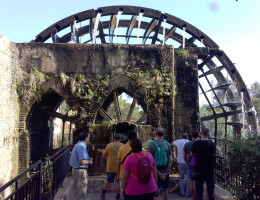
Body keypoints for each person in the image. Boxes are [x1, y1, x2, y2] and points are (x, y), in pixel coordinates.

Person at [191, 127, 216, 200]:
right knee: (211, 192)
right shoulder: (212, 144)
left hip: (199, 171)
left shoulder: (196, 143)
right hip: (210, 171)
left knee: (199, 192)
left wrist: (198, 155)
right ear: (208, 134)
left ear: (200, 133)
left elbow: (191, 154)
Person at [148, 127, 172, 200]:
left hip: (155, 171)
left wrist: (158, 173)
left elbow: (150, 161)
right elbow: (170, 160)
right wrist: (165, 173)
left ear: (155, 134)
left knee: (155, 192)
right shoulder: (167, 144)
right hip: (165, 171)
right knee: (165, 190)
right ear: (163, 135)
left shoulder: (151, 145)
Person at [68, 131, 93, 200]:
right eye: (88, 137)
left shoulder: (78, 145)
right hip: (80, 171)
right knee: (81, 192)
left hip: (77, 171)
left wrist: (88, 158)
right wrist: (90, 162)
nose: (89, 139)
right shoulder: (81, 146)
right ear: (86, 138)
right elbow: (82, 161)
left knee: (78, 191)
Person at [101, 134, 124, 200]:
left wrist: (108, 158)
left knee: (108, 180)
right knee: (118, 182)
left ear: (114, 138)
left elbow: (104, 155)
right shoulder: (122, 146)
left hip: (110, 166)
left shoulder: (109, 145)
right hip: (119, 167)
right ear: (120, 139)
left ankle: (103, 194)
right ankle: (118, 196)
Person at [117, 130, 137, 199]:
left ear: (127, 137)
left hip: (122, 175)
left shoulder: (122, 148)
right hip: (135, 176)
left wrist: (117, 175)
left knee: (123, 195)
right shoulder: (139, 148)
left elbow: (118, 164)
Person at [183, 130, 200, 200]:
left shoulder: (187, 144)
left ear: (191, 136)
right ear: (198, 136)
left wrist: (188, 162)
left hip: (190, 166)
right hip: (199, 167)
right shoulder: (200, 144)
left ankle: (193, 198)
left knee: (191, 185)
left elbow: (184, 156)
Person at [172, 132, 189, 197]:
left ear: (181, 136)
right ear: (187, 137)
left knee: (181, 177)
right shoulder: (188, 142)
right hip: (187, 162)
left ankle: (182, 192)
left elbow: (172, 143)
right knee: (188, 177)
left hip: (181, 162)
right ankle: (188, 193)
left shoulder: (178, 141)